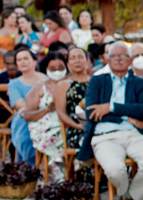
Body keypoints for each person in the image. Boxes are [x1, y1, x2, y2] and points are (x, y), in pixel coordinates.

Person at [78, 42, 143, 200]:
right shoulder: (97, 81)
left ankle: (131, 199)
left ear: (130, 61)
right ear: (107, 60)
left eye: (123, 56)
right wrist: (126, 116)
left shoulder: (140, 83)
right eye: (114, 56)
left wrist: (111, 107)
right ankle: (124, 194)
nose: (118, 59)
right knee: (116, 170)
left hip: (134, 134)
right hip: (105, 136)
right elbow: (91, 114)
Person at [23, 51, 70, 180]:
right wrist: (48, 109)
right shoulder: (40, 88)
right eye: (53, 69)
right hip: (45, 126)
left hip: (68, 123)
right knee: (57, 131)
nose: (57, 71)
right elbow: (27, 115)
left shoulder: (72, 85)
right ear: (46, 69)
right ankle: (59, 171)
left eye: (61, 68)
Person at [8, 46, 47, 164]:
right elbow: (20, 105)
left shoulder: (46, 79)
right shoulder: (14, 84)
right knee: (25, 130)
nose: (22, 62)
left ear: (35, 61)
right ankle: (29, 166)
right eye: (19, 60)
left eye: (25, 58)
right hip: (25, 118)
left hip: (47, 115)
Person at [56, 45, 92, 154]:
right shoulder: (63, 85)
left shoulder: (95, 82)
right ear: (68, 64)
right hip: (76, 129)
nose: (77, 61)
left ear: (87, 62)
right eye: (73, 58)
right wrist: (79, 127)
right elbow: (61, 113)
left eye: (80, 57)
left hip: (98, 128)